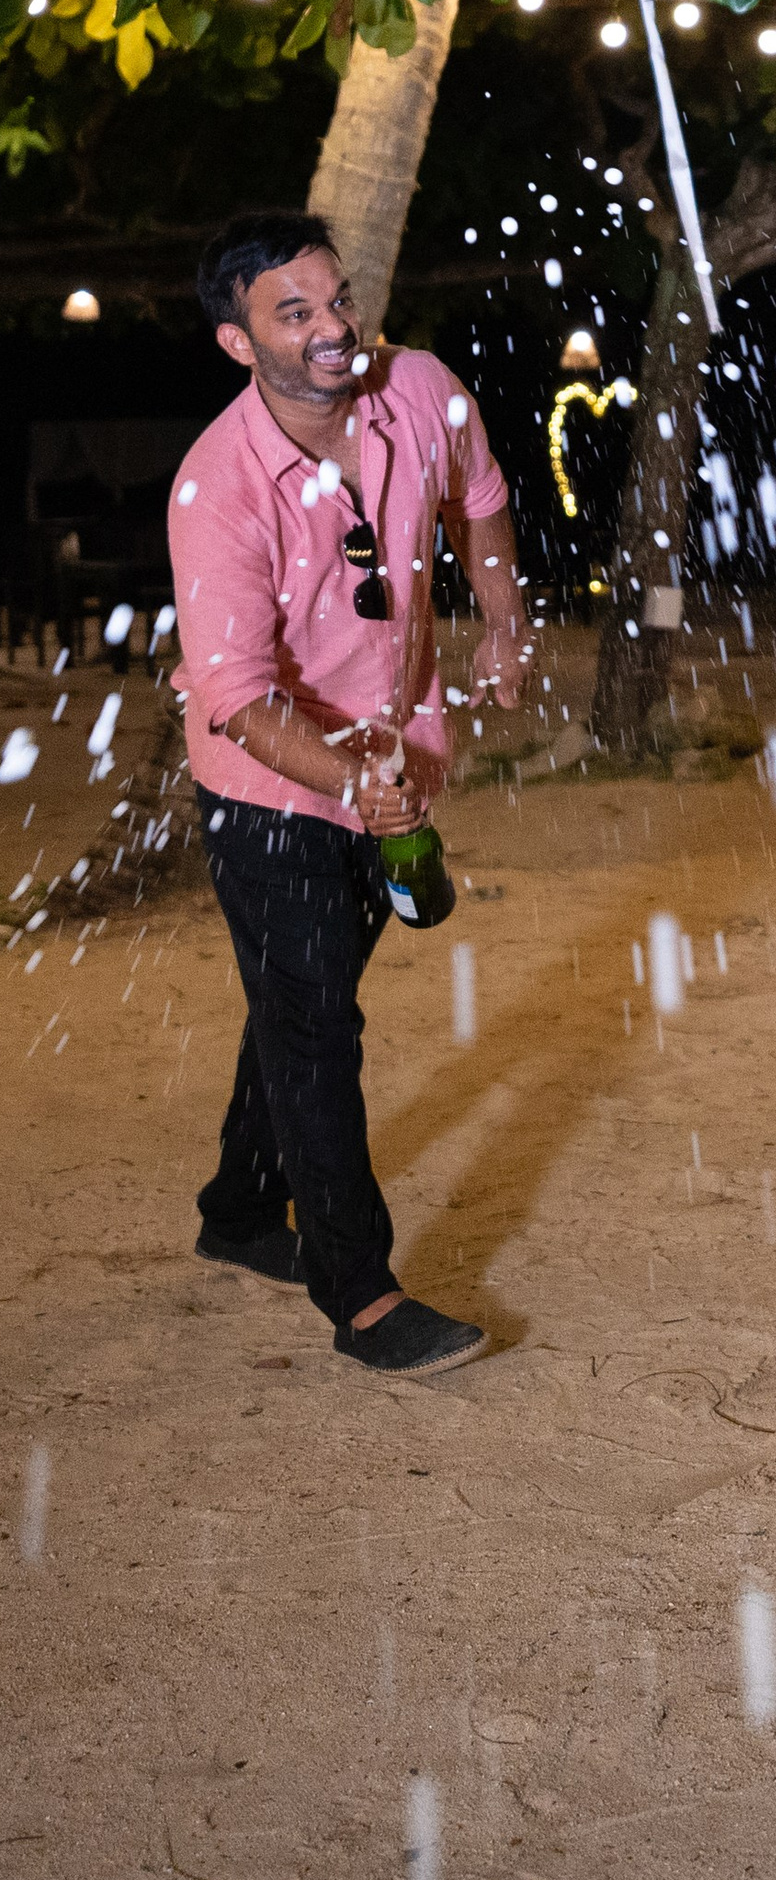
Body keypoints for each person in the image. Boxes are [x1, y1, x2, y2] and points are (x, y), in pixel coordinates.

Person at [170, 211, 532, 1375]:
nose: (334, 329)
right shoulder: (215, 487)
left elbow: (481, 494)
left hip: (400, 761)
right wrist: (350, 779)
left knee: (297, 998)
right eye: (295, 313)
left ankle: (235, 1211)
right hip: (266, 790)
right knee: (318, 1022)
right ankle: (359, 1292)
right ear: (239, 343)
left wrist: (504, 615)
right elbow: (231, 691)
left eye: (337, 300)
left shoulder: (420, 386)